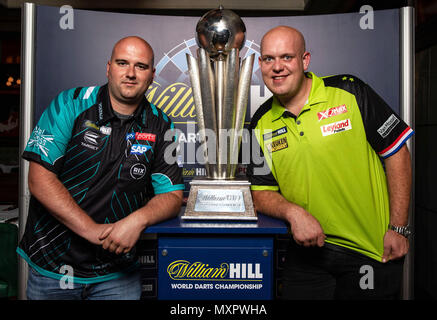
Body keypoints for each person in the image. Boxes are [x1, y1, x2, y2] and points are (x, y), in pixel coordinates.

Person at [247, 26, 413, 299]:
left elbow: (397, 153)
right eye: (268, 59)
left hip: (370, 251)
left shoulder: (349, 91)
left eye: (287, 57)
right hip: (307, 254)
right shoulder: (260, 121)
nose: (277, 67)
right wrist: (293, 213)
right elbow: (262, 193)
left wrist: (398, 228)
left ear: (304, 60)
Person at [18, 36, 184, 300]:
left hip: (117, 275)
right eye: (122, 63)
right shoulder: (70, 103)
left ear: (152, 75)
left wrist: (137, 220)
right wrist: (92, 231)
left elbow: (173, 196)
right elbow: (39, 179)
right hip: (53, 268)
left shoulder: (161, 124)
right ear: (108, 67)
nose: (130, 73)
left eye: (140, 66)